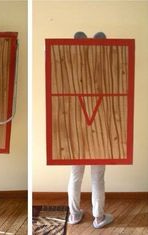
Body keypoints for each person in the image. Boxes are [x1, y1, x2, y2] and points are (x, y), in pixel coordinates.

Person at [67, 32, 113, 229]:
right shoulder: (106, 71)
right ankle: (98, 217)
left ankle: (75, 214)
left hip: (77, 132)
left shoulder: (71, 71)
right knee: (97, 177)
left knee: (76, 176)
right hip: (100, 132)